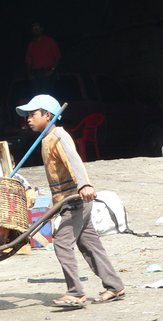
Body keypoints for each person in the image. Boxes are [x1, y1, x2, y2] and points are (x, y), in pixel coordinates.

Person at [15, 94, 125, 307]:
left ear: (47, 115)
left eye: (32, 114)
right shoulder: (47, 139)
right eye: (27, 115)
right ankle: (114, 286)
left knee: (63, 243)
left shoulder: (58, 136)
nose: (28, 119)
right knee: (90, 244)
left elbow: (74, 161)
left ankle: (75, 293)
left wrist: (84, 184)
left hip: (76, 199)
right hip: (66, 200)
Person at [25, 22, 61, 94]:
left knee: (47, 94)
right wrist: (29, 73)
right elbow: (28, 59)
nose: (35, 30)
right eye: (34, 29)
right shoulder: (32, 44)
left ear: (42, 29)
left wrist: (52, 70)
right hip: (36, 72)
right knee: (36, 94)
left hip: (48, 71)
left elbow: (58, 56)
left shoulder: (50, 41)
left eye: (37, 28)